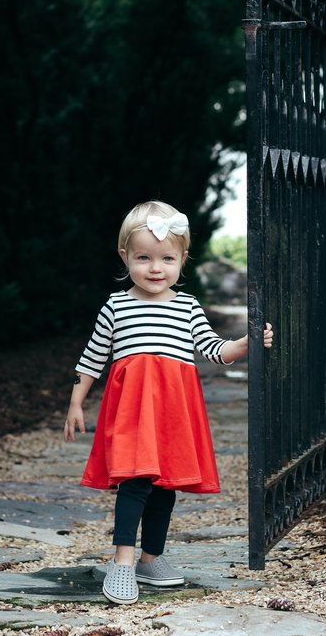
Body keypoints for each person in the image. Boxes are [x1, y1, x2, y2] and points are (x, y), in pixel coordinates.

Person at [64, 201, 273, 605]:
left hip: (174, 412)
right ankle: (122, 562)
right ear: (125, 257)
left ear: (182, 260)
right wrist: (76, 403)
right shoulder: (116, 305)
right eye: (144, 258)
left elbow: (212, 349)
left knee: (165, 487)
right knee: (136, 480)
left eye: (167, 259)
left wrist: (244, 345)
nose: (155, 268)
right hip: (132, 411)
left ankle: (149, 559)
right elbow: (92, 358)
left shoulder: (187, 306)